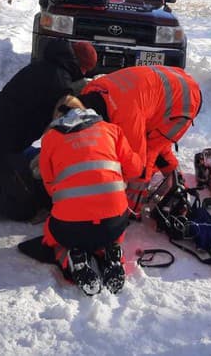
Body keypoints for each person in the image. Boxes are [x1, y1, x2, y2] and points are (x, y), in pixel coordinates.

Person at [0, 39, 98, 221]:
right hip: (1, 148)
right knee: (23, 207)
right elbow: (61, 133)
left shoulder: (46, 67)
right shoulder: (59, 83)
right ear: (80, 65)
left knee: (12, 183)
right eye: (85, 70)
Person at [39, 100, 143, 295]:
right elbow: (135, 169)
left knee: (52, 234)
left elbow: (50, 186)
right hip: (114, 222)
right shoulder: (111, 129)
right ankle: (112, 253)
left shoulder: (50, 138)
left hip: (70, 227)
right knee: (108, 231)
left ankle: (70, 258)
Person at [78, 65, 202, 215]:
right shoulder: (91, 89)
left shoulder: (125, 119)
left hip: (184, 102)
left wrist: (126, 210)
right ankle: (175, 178)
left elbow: (138, 169)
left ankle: (132, 205)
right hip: (170, 84)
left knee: (148, 152)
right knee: (157, 145)